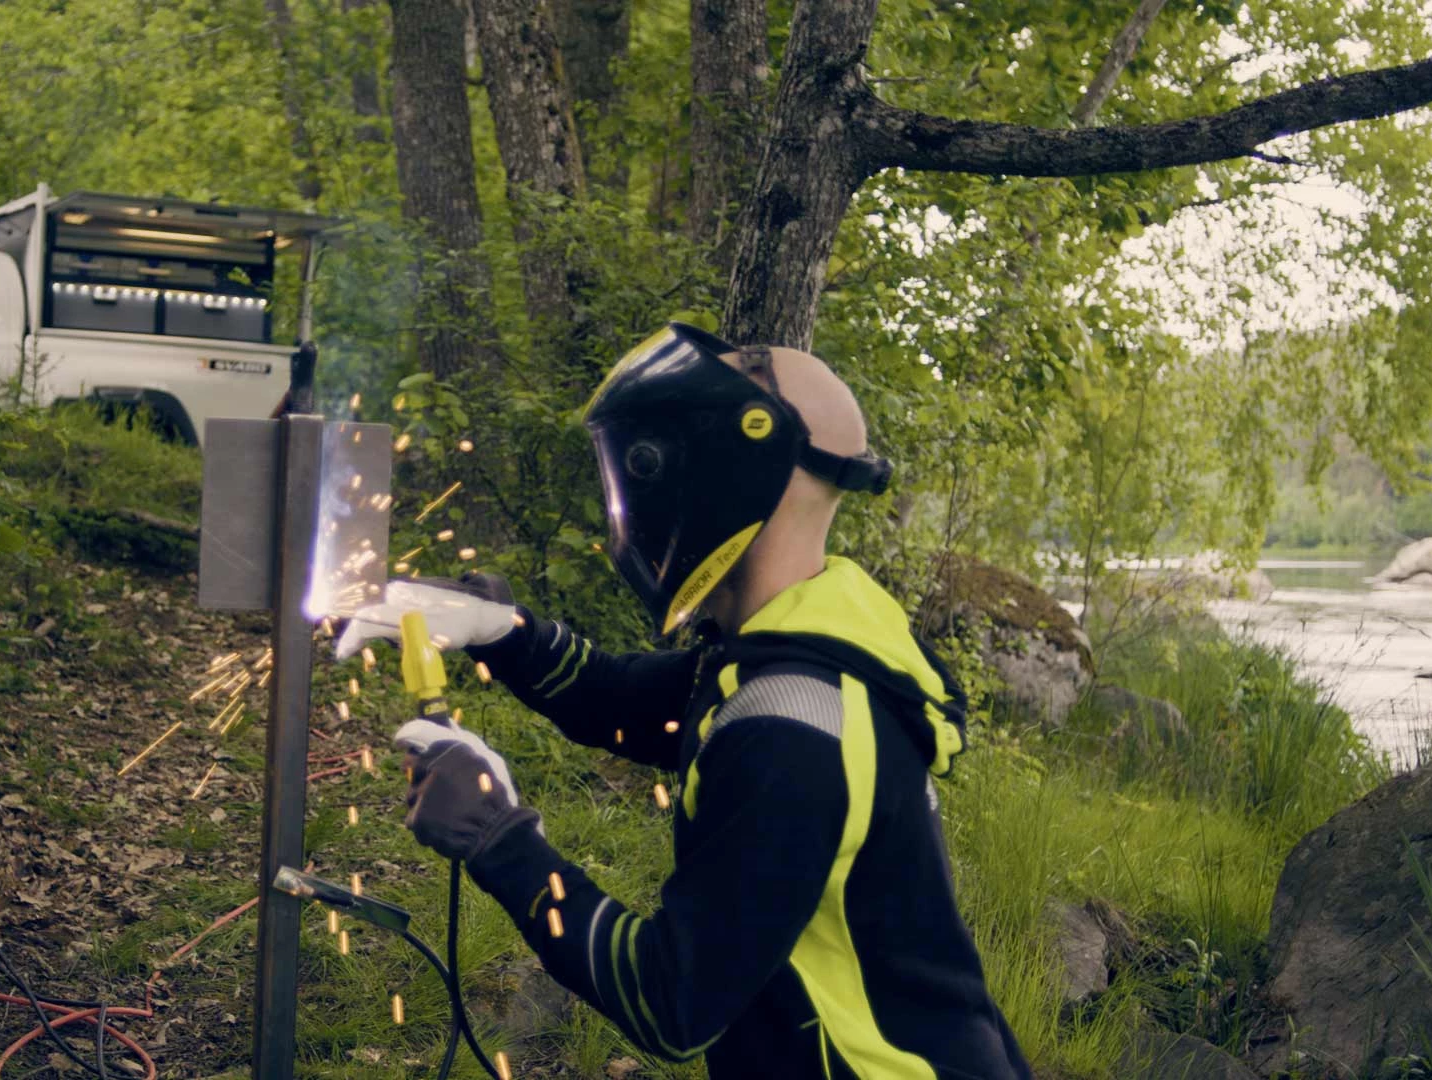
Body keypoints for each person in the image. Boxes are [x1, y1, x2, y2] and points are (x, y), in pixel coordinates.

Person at [337, 323, 1031, 1079]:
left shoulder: (794, 728)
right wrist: (502, 633)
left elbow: (671, 1002)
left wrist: (501, 839)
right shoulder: (796, 644)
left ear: (732, 469)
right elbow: (626, 701)